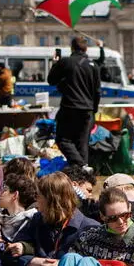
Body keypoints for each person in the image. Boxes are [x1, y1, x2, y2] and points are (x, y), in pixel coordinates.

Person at [9, 172, 99, 266]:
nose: (36, 199)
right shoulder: (37, 220)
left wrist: (65, 265)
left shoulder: (89, 228)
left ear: (52, 200)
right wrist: (39, 262)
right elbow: (10, 255)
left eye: (38, 195)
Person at [63, 187, 134, 266]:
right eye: (112, 218)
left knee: (87, 262)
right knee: (69, 258)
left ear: (130, 208)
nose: (120, 222)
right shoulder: (90, 237)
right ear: (102, 217)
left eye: (125, 215)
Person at [48, 36, 101, 168]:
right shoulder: (94, 65)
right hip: (87, 110)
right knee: (82, 143)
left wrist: (55, 64)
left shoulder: (66, 62)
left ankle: (80, 165)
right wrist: (93, 110)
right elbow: (97, 91)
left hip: (69, 107)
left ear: (72, 48)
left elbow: (51, 80)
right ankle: (83, 174)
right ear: (86, 48)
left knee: (62, 140)